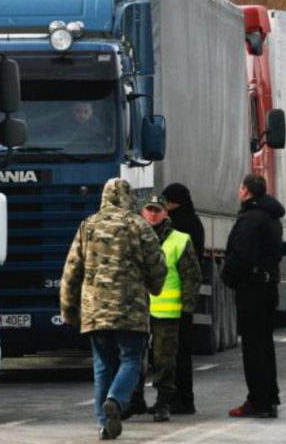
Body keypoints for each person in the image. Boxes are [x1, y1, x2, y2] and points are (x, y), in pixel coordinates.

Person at [60, 178, 168, 441]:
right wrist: (155, 287)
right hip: (130, 308)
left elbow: (71, 270)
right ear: (130, 198)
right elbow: (157, 265)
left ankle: (103, 424)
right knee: (131, 359)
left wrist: (68, 310)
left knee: (102, 364)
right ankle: (116, 401)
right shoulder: (139, 225)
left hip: (94, 309)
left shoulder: (88, 225)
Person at [129, 194, 201, 423]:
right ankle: (135, 399)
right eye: (149, 209)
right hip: (138, 310)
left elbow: (192, 276)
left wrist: (187, 307)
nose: (152, 213)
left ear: (165, 213)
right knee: (134, 358)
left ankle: (163, 402)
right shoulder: (133, 238)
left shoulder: (180, 240)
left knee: (164, 360)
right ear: (142, 212)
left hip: (168, 312)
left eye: (157, 210)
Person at [222, 173, 285, 419]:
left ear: (247, 191)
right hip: (269, 286)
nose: (239, 191)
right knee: (265, 344)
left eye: (241, 187)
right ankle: (270, 397)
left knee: (253, 347)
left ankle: (258, 401)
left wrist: (228, 276)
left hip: (252, 288)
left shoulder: (250, 218)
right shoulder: (272, 217)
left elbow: (242, 254)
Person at [162, 182, 206, 415]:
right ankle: (182, 398)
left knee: (176, 354)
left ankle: (181, 399)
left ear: (174, 202)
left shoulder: (177, 225)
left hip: (174, 299)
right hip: (185, 297)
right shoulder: (195, 222)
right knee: (181, 351)